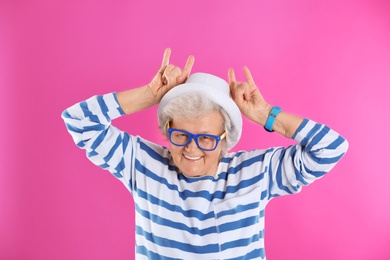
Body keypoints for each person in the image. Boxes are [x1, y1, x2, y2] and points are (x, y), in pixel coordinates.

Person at [62, 48, 348, 260]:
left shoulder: (255, 172)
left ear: (225, 139)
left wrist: (264, 115)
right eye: (181, 135)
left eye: (207, 139)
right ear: (168, 129)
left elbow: (330, 148)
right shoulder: (143, 163)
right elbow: (79, 121)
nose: (191, 148)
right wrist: (151, 94)